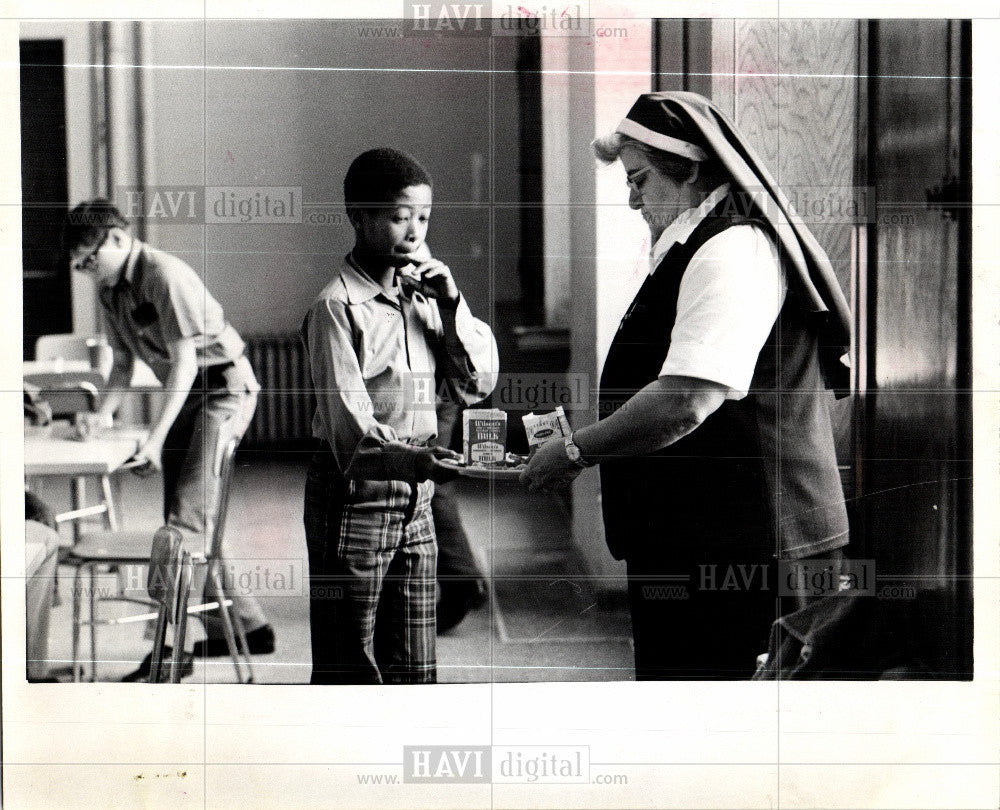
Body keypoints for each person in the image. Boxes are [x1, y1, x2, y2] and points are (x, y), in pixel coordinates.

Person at [521, 91, 853, 680]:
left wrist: (576, 451)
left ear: (691, 169)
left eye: (640, 180)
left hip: (751, 545)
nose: (631, 200)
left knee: (731, 730)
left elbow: (686, 401)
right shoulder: (692, 243)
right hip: (703, 537)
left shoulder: (733, 250)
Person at [302, 147, 498, 684]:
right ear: (358, 217)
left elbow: (477, 384)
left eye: (424, 218)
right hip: (353, 499)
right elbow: (349, 433)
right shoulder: (336, 308)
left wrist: (453, 306)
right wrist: (418, 460)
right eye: (397, 217)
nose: (413, 233)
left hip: (419, 500)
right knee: (351, 667)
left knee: (415, 664)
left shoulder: (429, 297)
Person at [63, 200, 274, 681]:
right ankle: (247, 625)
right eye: (80, 266)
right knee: (185, 520)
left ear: (117, 239)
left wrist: (155, 441)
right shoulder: (111, 289)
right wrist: (101, 415)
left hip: (222, 389)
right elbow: (121, 363)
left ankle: (167, 650)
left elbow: (184, 363)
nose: (88, 272)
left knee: (184, 523)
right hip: (187, 395)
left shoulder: (164, 274)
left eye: (90, 260)